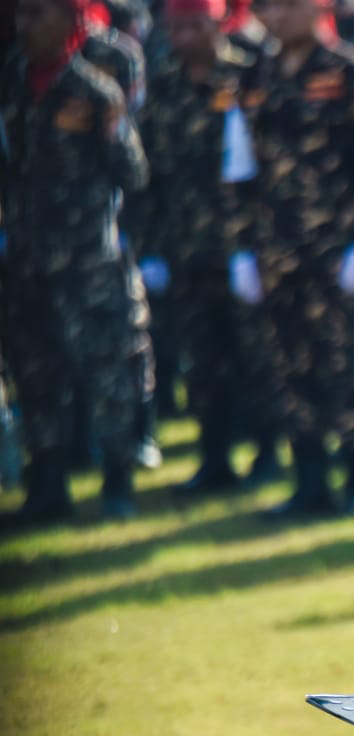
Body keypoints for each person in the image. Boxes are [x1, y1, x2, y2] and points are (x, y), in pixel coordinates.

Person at [243, 0, 354, 518]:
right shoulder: (256, 74)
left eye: (287, 6)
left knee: (349, 362)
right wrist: (243, 244)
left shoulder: (352, 70)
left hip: (339, 247)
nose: (276, 16)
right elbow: (242, 165)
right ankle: (309, 480)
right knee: (292, 366)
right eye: (266, 8)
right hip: (279, 248)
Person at [1, 0, 152, 521]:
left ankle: (117, 481)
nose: (27, 26)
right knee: (36, 374)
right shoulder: (9, 84)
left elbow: (133, 173)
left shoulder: (95, 90)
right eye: (20, 15)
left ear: (70, 20)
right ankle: (47, 485)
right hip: (25, 260)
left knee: (106, 370)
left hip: (88, 260)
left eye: (39, 14)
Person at [135, 0, 283, 493]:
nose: (184, 36)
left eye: (195, 24)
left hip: (243, 244)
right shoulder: (162, 81)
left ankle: (268, 450)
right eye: (176, 26)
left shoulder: (249, 74)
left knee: (258, 355)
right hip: (186, 246)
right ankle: (214, 457)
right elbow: (149, 170)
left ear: (219, 22)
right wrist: (152, 246)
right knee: (203, 361)